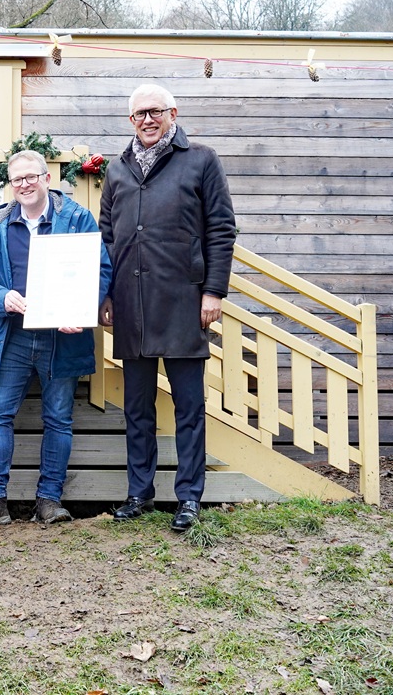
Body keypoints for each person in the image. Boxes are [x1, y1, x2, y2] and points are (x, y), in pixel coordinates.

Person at [99, 84, 236, 532]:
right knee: (137, 408)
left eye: (155, 111)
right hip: (131, 305)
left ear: (173, 113)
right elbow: (107, 235)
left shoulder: (201, 159)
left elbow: (221, 228)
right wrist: (106, 294)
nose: (147, 120)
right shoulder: (117, 168)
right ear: (131, 120)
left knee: (188, 408)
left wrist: (213, 291)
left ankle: (189, 497)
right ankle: (139, 493)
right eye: (139, 114)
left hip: (184, 303)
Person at [0, 150, 112, 528]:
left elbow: (100, 270)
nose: (24, 185)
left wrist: (79, 311)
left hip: (63, 339)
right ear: (10, 185)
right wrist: (2, 297)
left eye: (31, 177)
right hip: (11, 336)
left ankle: (49, 501)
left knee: (58, 418)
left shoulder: (77, 218)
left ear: (46, 178)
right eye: (17, 179)